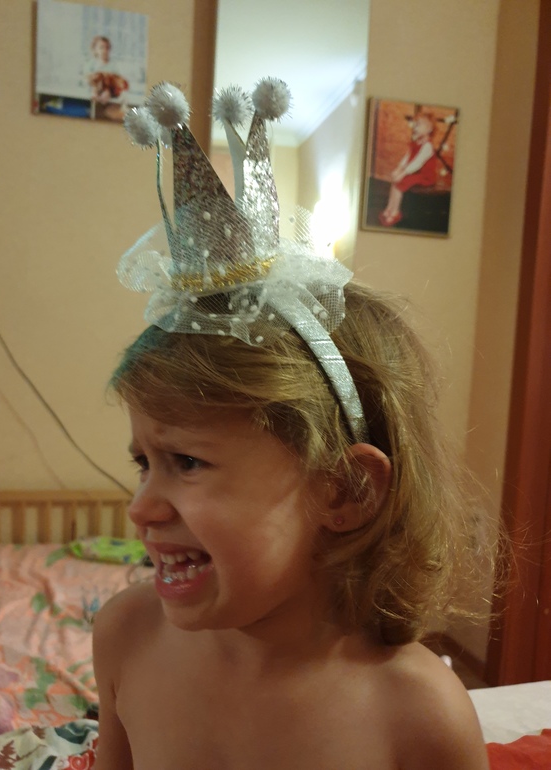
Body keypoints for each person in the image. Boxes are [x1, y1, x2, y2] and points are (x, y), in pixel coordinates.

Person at [91, 79, 493, 769]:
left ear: (344, 490)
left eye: (187, 462)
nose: (141, 507)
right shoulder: (127, 637)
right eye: (143, 462)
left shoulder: (417, 713)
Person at [379, 111, 438, 227]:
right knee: (395, 182)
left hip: (424, 176)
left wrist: (403, 173)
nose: (415, 127)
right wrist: (399, 168)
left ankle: (395, 212)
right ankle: (389, 208)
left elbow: (417, 163)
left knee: (400, 183)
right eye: (415, 124)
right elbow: (407, 157)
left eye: (419, 125)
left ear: (429, 129)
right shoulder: (416, 142)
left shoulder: (428, 146)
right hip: (414, 172)